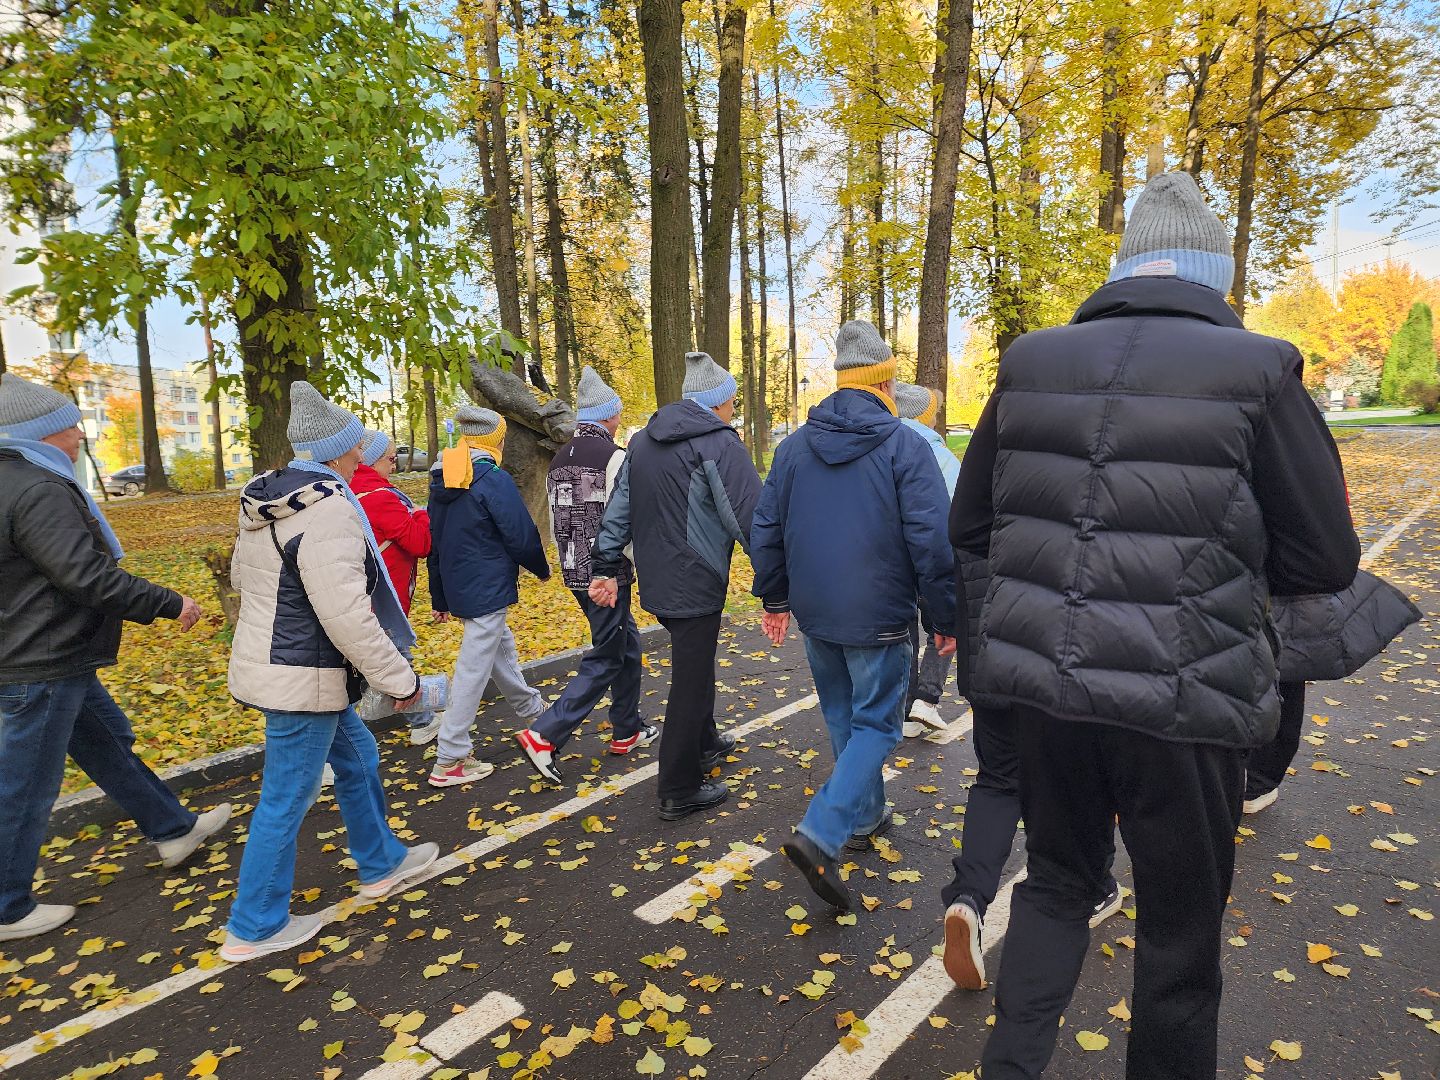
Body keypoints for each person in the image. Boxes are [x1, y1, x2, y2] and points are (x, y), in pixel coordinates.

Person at [952, 173, 1359, 1078]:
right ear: (1215, 275)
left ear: (1126, 268)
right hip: (1187, 700)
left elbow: (970, 527)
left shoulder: (1030, 362)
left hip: (1049, 691)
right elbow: (1326, 559)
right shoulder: (1261, 369)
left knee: (1056, 886)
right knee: (1179, 935)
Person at [0, 374, 229, 942]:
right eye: (71, 425)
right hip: (42, 657)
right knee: (26, 784)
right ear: (41, 432)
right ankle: (7, 906)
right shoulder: (39, 487)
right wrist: (168, 602)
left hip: (42, 651)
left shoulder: (14, 480)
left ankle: (172, 828)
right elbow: (84, 575)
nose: (80, 435)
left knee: (108, 743)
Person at [221, 381, 437, 963]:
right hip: (304, 674)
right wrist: (401, 681)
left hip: (288, 666)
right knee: (286, 797)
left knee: (358, 756)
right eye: (357, 444)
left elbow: (244, 579)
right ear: (342, 451)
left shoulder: (268, 499)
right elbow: (347, 615)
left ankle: (382, 862)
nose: (363, 451)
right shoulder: (329, 509)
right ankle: (255, 925)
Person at [751, 324, 956, 910]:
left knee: (843, 714)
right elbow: (932, 542)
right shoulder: (905, 446)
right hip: (880, 614)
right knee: (877, 725)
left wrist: (775, 598)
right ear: (885, 382)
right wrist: (944, 616)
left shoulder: (793, 448)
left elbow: (766, 528)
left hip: (817, 613)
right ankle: (823, 831)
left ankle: (865, 817)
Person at [590, 352, 761, 821]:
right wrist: (775, 576)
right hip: (697, 579)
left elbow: (619, 507)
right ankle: (678, 787)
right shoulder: (719, 443)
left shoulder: (643, 441)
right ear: (719, 402)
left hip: (659, 578)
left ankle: (704, 741)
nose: (733, 409)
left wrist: (605, 562)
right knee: (690, 677)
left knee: (695, 664)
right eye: (731, 401)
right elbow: (749, 516)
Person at [517, 367, 655, 784]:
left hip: (574, 569)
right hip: (607, 574)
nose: (619, 419)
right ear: (609, 416)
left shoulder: (559, 459)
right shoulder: (615, 458)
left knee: (626, 643)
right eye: (617, 412)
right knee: (609, 654)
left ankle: (627, 728)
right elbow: (623, 516)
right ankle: (545, 734)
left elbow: (558, 518)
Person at [427, 404, 548, 787]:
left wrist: (440, 596)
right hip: (487, 584)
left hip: (462, 585)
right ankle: (450, 756)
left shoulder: (443, 475)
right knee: (473, 667)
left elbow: (435, 543)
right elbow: (519, 531)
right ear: (495, 442)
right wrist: (541, 567)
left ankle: (533, 710)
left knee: (499, 648)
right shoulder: (492, 477)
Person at [351, 428, 440, 747]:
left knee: (379, 661)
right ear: (372, 460)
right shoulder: (380, 497)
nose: (395, 464)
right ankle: (423, 722)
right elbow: (420, 543)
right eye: (391, 458)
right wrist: (421, 514)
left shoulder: (350, 491)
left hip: (360, 595)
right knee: (395, 659)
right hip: (382, 597)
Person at [893, 382, 960, 738]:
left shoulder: (883, 447)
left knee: (904, 633)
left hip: (894, 560)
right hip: (933, 556)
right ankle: (928, 699)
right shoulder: (940, 455)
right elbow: (959, 510)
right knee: (943, 626)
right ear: (923, 415)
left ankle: (905, 707)